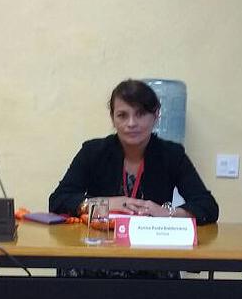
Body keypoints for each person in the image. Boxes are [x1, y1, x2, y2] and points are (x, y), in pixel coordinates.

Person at [49, 79, 219, 224]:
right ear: (112, 118)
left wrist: (167, 213)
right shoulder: (93, 151)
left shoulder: (172, 154)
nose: (131, 123)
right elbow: (58, 200)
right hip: (100, 242)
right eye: (122, 115)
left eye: (140, 114)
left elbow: (207, 206)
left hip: (151, 244)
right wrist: (103, 204)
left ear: (156, 116)